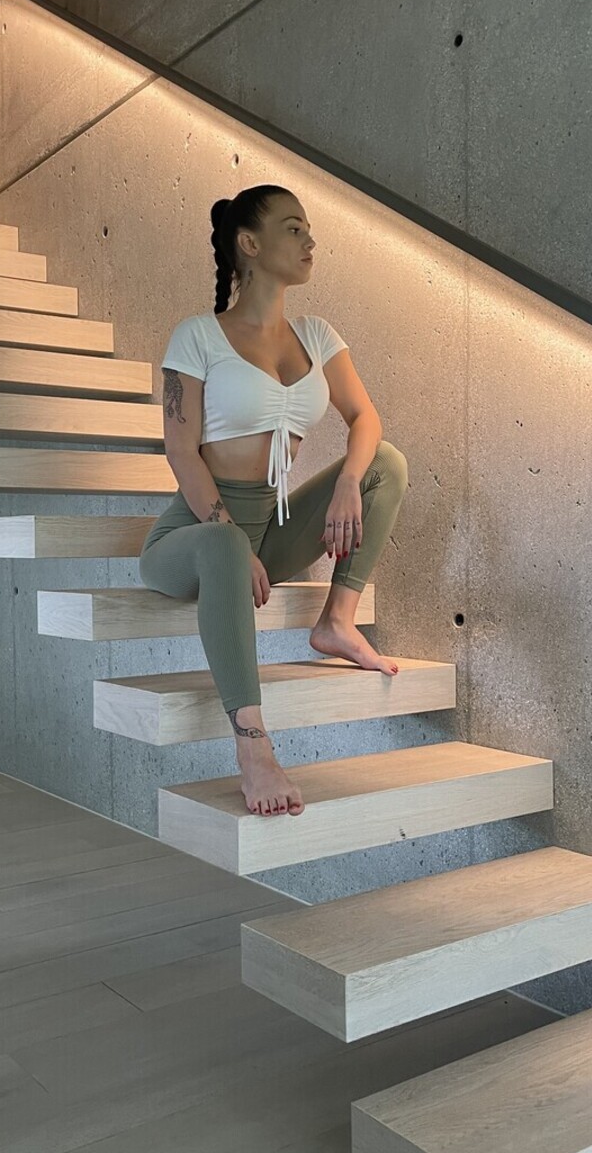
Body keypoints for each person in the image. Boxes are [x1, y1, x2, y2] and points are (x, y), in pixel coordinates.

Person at [139, 185, 408, 819]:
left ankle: (336, 622)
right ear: (250, 244)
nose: (310, 240)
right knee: (224, 542)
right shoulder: (198, 337)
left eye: (308, 228)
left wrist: (347, 482)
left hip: (269, 527)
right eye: (293, 228)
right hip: (194, 536)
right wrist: (231, 534)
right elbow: (180, 451)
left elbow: (365, 418)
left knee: (385, 464)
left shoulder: (317, 336)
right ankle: (253, 746)